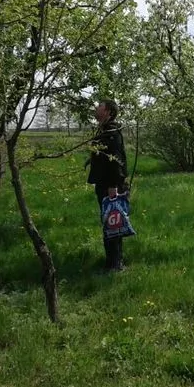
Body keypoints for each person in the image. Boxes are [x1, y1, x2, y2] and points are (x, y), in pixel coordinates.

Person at [87, 99, 129, 272]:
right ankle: (112, 261)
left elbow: (115, 160)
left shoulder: (111, 132)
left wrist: (113, 185)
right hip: (105, 184)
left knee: (113, 224)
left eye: (100, 107)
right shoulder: (104, 130)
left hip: (110, 186)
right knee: (109, 223)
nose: (96, 109)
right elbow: (104, 155)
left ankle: (115, 264)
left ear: (108, 112)